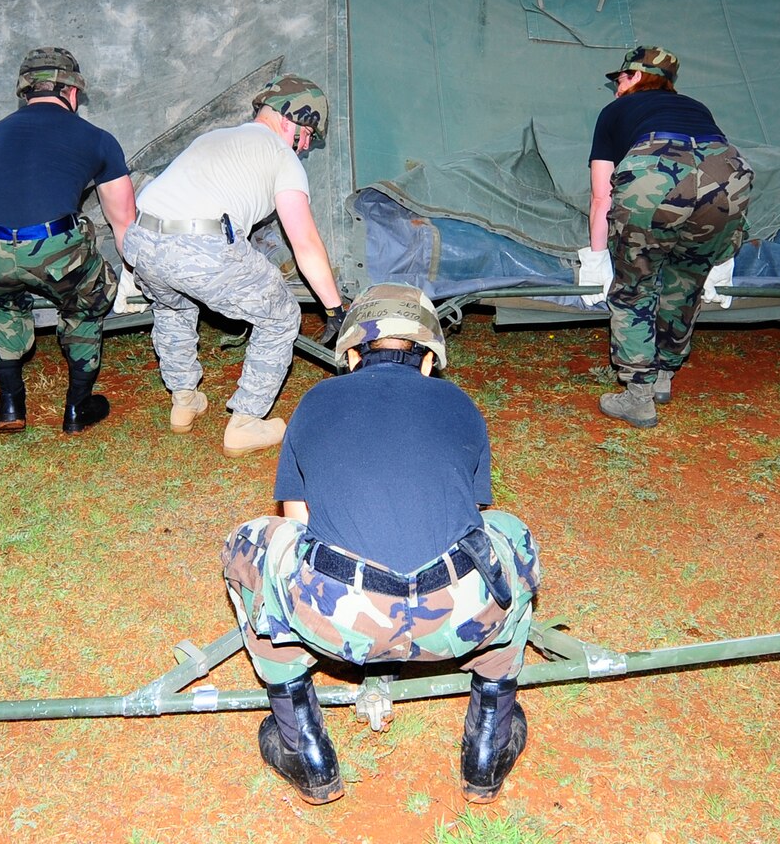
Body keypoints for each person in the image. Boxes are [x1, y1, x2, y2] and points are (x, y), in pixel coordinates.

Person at [219, 284, 541, 805]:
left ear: (350, 355)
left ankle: (305, 750)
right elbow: (471, 523)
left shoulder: (316, 400)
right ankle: (489, 743)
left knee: (254, 539)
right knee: (510, 533)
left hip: (339, 619)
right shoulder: (461, 404)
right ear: (430, 360)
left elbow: (299, 526)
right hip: (454, 618)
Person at [122, 75, 345, 457]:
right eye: (308, 133)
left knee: (173, 306)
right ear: (290, 118)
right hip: (200, 245)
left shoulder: (213, 137)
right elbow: (305, 243)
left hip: (141, 239)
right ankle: (245, 423)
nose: (307, 145)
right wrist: (334, 308)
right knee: (279, 316)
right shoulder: (281, 157)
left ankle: (184, 401)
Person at [0, 47, 137, 434]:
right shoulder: (97, 138)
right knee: (86, 304)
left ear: (24, 90)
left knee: (2, 302)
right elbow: (124, 221)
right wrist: (133, 275)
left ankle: (10, 406)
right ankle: (78, 409)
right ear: (72, 92)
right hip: (52, 249)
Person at [577, 46, 753, 428]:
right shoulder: (696, 107)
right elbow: (707, 166)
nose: (616, 87)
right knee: (687, 279)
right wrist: (720, 258)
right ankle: (663, 376)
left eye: (620, 79)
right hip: (728, 174)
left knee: (634, 286)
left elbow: (601, 196)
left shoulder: (615, 112)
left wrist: (595, 260)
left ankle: (638, 396)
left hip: (656, 172)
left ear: (636, 77)